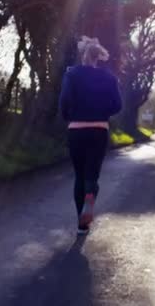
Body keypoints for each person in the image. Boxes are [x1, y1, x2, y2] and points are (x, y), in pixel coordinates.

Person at [59, 36, 122, 235]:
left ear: (82, 54)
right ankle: (90, 197)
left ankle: (81, 225)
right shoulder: (109, 77)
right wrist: (102, 113)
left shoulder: (71, 74)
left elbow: (64, 102)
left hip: (76, 130)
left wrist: (71, 116)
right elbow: (118, 105)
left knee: (79, 176)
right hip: (99, 131)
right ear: (97, 57)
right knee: (92, 175)